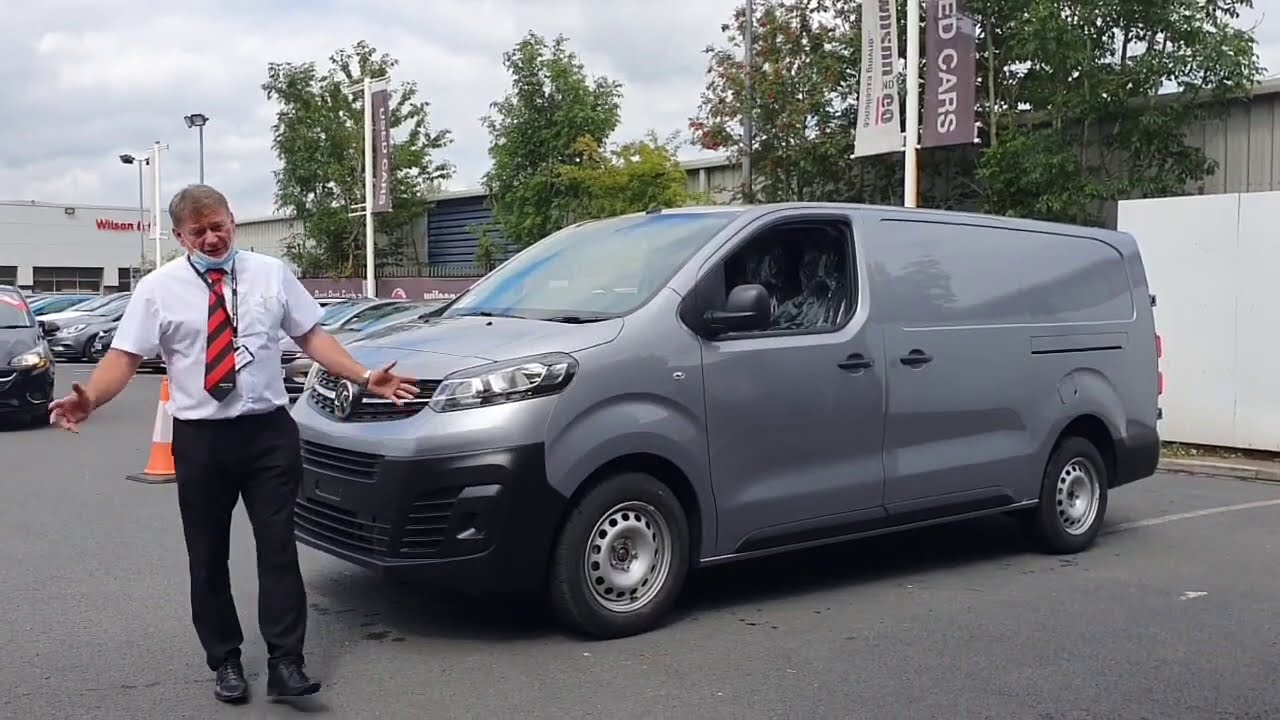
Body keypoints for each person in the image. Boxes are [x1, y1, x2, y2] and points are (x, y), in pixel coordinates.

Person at [49, 184, 418, 705]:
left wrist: (363, 376)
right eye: (198, 231)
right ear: (179, 236)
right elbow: (124, 358)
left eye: (218, 225)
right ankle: (225, 661)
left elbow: (312, 336)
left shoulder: (270, 275)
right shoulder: (158, 289)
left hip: (268, 433)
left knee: (278, 550)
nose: (212, 237)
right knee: (208, 556)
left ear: (233, 221)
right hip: (202, 440)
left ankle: (287, 662)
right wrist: (92, 401)